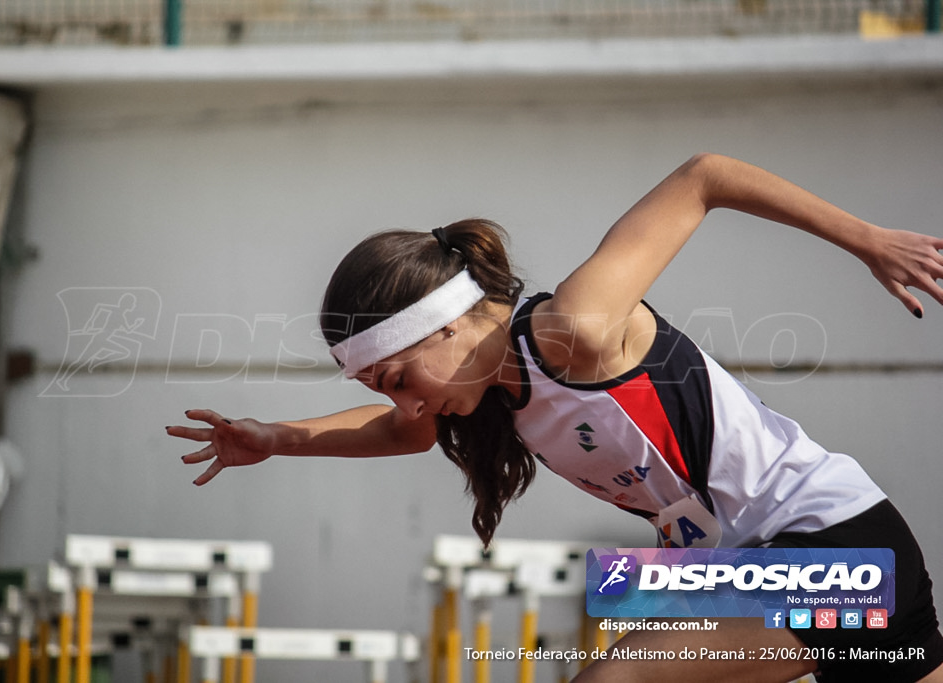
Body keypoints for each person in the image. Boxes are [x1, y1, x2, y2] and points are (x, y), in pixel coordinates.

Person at [168, 153, 943, 682]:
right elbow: (397, 430)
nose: (406, 403)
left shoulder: (573, 332)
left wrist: (868, 240)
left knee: (620, 670)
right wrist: (276, 439)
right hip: (753, 565)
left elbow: (704, 177)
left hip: (835, 545)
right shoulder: (491, 398)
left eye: (400, 376)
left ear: (446, 324)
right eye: (381, 387)